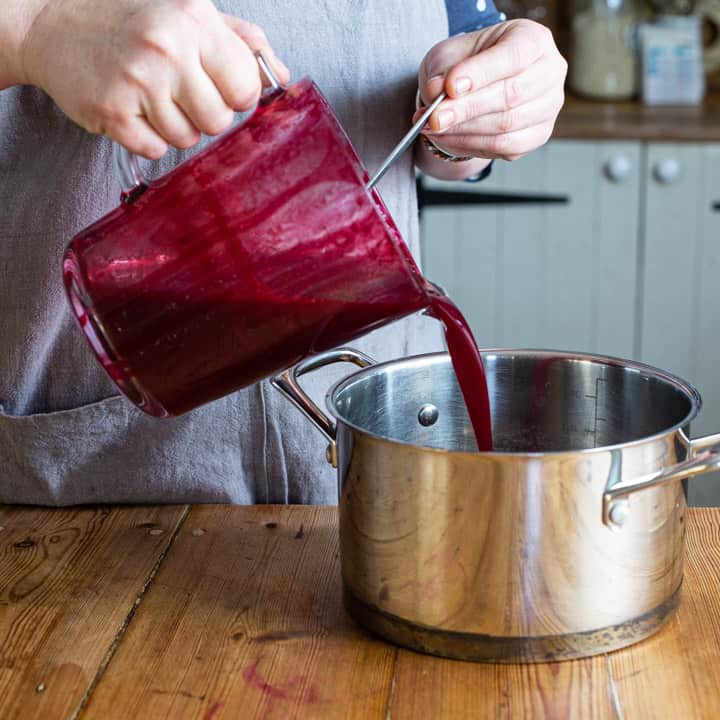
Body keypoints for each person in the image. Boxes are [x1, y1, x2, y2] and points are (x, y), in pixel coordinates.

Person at [0, 0, 567, 505]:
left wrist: (485, 104)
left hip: (357, 471)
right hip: (84, 499)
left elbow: (445, 114)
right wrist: (35, 28)